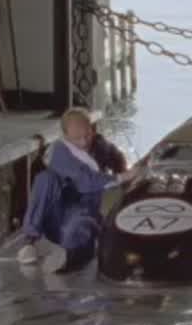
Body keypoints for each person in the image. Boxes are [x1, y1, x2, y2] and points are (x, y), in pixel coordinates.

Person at [18, 107, 134, 270]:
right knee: (45, 179)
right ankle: (30, 240)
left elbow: (117, 158)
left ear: (91, 129)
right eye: (77, 139)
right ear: (65, 136)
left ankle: (73, 254)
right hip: (57, 214)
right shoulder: (58, 152)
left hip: (84, 212)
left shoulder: (99, 144)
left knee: (78, 231)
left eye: (87, 135)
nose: (84, 142)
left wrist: (127, 178)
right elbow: (85, 180)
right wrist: (120, 178)